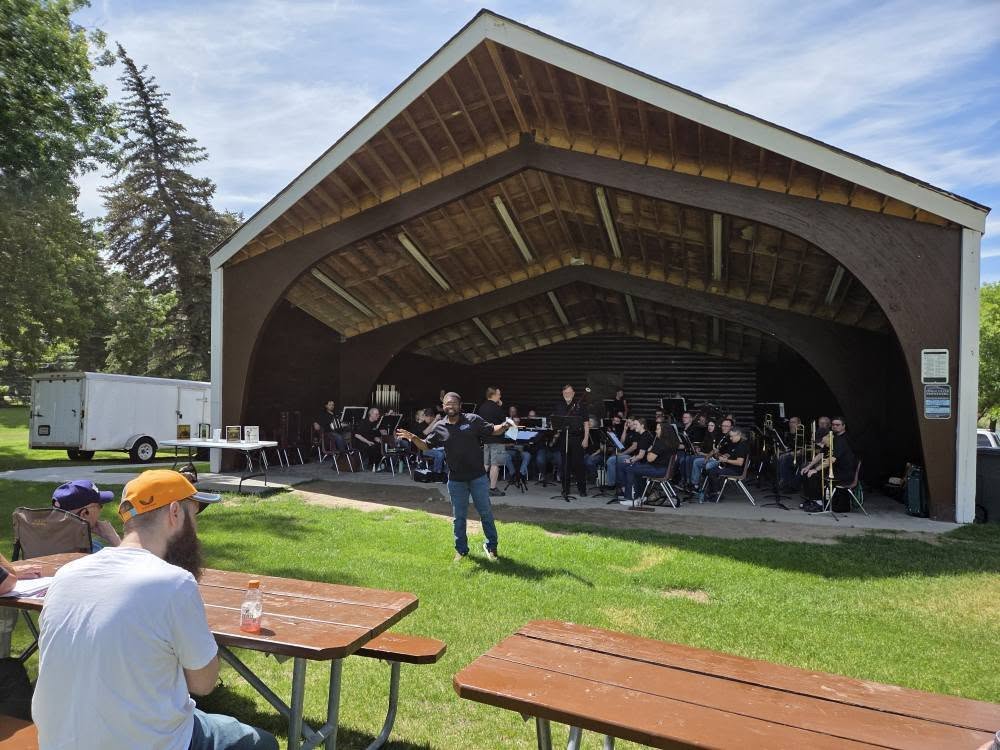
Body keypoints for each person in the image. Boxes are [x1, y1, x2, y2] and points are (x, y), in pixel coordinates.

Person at [32, 470, 278, 750]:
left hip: (58, 741)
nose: (196, 529)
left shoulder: (66, 574)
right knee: (262, 743)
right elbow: (204, 683)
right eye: (193, 515)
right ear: (175, 512)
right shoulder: (174, 583)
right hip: (144, 742)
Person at [396, 393, 512, 562]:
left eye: (454, 403)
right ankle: (461, 550)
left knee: (486, 513)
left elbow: (492, 429)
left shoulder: (472, 420)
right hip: (456, 480)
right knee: (459, 518)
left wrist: (505, 425)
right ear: (443, 407)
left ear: (460, 405)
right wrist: (413, 438)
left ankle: (491, 547)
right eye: (447, 403)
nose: (450, 406)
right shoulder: (440, 427)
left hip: (478, 477)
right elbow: (426, 445)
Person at [51, 479, 122, 552]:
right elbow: (126, 559)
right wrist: (114, 538)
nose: (101, 510)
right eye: (100, 505)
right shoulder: (95, 550)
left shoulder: (45, 542)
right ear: (84, 513)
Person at [552, 385, 590, 497]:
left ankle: (582, 489)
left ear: (573, 393)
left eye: (569, 392)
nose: (567, 394)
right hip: (564, 437)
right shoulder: (559, 406)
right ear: (562, 393)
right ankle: (565, 489)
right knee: (565, 465)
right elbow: (555, 421)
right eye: (565, 393)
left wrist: (586, 438)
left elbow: (586, 423)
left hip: (577, 438)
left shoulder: (580, 405)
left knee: (579, 464)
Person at [476, 386, 508, 497]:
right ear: (493, 395)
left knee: (486, 464)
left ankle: (477, 486)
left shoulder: (482, 407)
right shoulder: (496, 408)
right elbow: (504, 421)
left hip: (486, 439)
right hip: (497, 440)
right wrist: (500, 406)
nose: (500, 396)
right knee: (495, 465)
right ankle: (492, 488)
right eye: (499, 394)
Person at [703, 427, 749, 501]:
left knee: (712, 471)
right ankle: (712, 493)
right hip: (731, 468)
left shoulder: (742, 446)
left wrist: (726, 460)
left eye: (732, 436)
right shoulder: (736, 444)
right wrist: (725, 456)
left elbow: (740, 463)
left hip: (736, 471)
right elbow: (733, 454)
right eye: (730, 436)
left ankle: (716, 494)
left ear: (739, 435)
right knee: (711, 470)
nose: (730, 438)